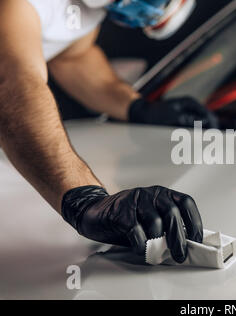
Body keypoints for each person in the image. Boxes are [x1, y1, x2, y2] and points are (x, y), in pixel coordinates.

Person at [0, 0, 211, 263]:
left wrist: (135, 107)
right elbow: (12, 84)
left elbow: (73, 56)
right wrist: (84, 200)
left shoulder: (87, 8)